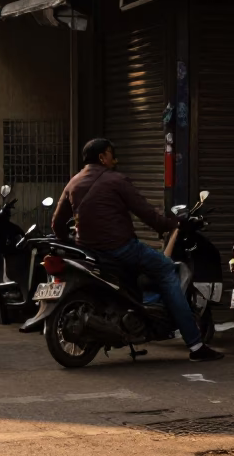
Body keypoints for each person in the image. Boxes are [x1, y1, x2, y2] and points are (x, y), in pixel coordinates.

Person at [52, 138, 222, 362]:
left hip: (89, 253)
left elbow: (57, 223)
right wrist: (170, 225)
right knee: (166, 269)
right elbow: (146, 213)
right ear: (102, 157)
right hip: (120, 249)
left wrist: (73, 242)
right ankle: (196, 345)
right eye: (111, 154)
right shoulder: (116, 180)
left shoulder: (73, 183)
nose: (114, 159)